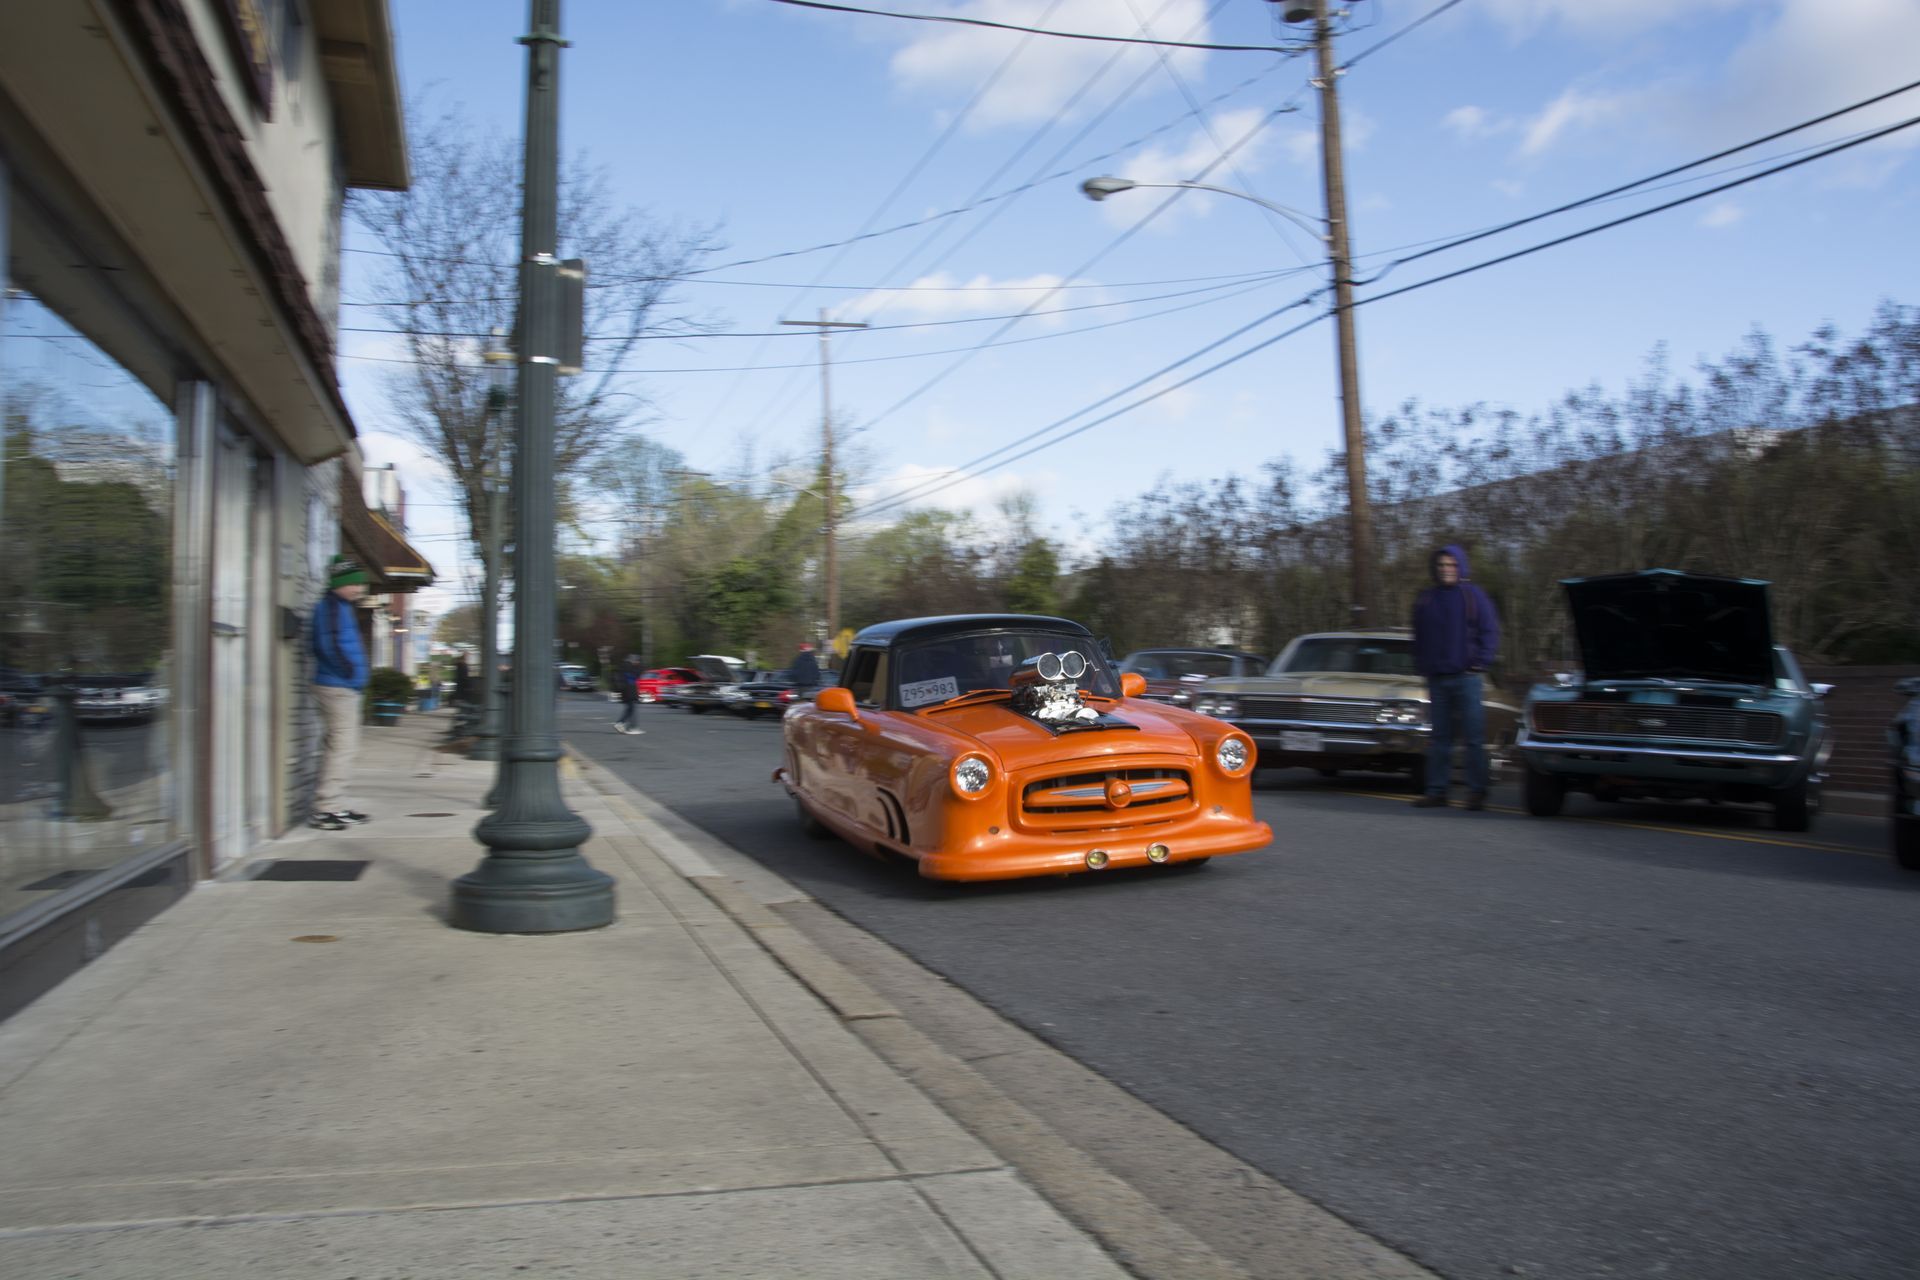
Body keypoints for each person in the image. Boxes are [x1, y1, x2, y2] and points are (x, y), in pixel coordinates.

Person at [1410, 543, 1501, 811]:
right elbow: (1419, 638)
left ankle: (1477, 792)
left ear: (1460, 566)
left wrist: (1480, 663)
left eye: (1451, 565)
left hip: (1468, 678)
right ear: (1434, 569)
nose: (1446, 570)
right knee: (1440, 738)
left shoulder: (1474, 596)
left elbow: (1490, 632)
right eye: (1441, 565)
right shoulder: (1426, 599)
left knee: (1473, 737)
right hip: (1437, 680)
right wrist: (1423, 667)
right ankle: (1437, 791)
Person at [310, 554, 371, 830]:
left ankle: (335, 804)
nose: (359, 589)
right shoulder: (332, 608)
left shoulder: (340, 606)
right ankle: (326, 808)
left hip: (341, 685)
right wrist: (350, 673)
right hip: (338, 686)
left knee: (341, 747)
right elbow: (329, 646)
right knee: (342, 748)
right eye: (354, 584)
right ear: (340, 583)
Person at [613, 654, 645, 735]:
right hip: (629, 691)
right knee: (630, 709)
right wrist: (640, 668)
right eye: (637, 661)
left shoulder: (623, 666)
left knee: (630, 709)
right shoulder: (629, 667)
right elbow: (635, 676)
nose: (638, 662)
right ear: (633, 661)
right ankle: (621, 723)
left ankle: (630, 726)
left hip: (625, 691)